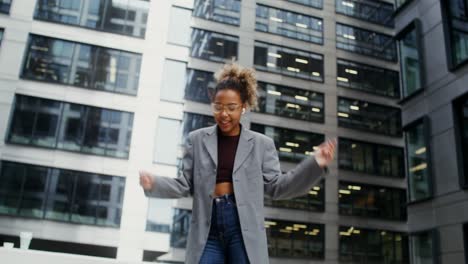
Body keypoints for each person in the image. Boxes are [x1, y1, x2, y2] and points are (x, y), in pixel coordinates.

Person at [139, 63, 336, 264]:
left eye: (231, 108)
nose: (224, 114)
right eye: (218, 107)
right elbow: (185, 184)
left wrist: (315, 163)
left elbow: (277, 187)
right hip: (207, 229)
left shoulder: (262, 145)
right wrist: (154, 184)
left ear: (244, 107)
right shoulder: (197, 140)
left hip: (243, 229)